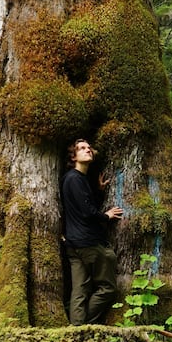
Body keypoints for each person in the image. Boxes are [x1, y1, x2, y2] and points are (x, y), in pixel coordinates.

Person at [60, 139, 123, 325]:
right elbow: (87, 212)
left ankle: (76, 328)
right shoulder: (74, 178)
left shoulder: (75, 179)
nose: (88, 150)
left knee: (79, 290)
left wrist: (99, 191)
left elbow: (81, 204)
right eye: (81, 148)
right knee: (108, 288)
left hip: (73, 244)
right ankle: (85, 323)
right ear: (73, 156)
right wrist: (107, 216)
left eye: (89, 148)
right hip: (89, 243)